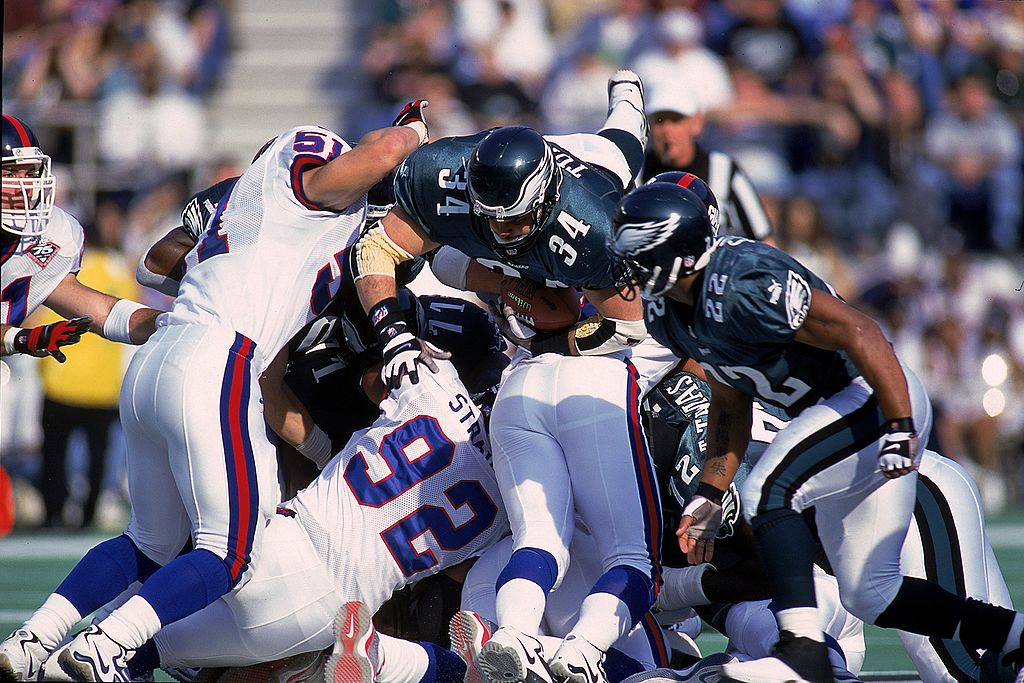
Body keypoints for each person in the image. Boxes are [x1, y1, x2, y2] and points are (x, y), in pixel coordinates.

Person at [0, 102, 432, 682]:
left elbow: (162, 276)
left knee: (149, 541)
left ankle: (36, 637)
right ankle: (108, 644)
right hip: (217, 359)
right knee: (231, 551)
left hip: (163, 352)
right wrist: (415, 126)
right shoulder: (300, 177)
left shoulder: (245, 220)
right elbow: (384, 152)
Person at [605, 180, 1024, 683]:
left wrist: (899, 425)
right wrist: (710, 493)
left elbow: (860, 331)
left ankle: (801, 650)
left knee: (769, 489)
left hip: (868, 395)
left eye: (636, 248)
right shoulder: (669, 311)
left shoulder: (743, 279)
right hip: (838, 426)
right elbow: (730, 400)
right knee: (872, 593)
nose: (625, 265)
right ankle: (1014, 631)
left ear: (674, 249)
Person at [350, 71, 674, 682]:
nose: (503, 231)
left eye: (514, 222)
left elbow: (629, 321)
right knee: (631, 556)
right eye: (492, 221)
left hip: (522, 384)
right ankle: (579, 653)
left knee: (623, 139)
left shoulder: (597, 222)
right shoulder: (445, 177)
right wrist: (503, 288)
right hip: (586, 386)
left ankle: (517, 636)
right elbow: (383, 247)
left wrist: (560, 316)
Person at [644, 360, 1018, 683]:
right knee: (1003, 657)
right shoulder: (712, 377)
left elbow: (761, 565)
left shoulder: (669, 425)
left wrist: (673, 589)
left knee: (966, 668)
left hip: (899, 499)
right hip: (846, 557)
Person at [1, 113, 161, 364]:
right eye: (10, 173)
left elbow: (102, 311)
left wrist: (167, 324)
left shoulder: (51, 232)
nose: (24, 186)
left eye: (29, 172)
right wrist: (20, 338)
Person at [638, 84, 774, 244]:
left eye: (676, 120)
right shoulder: (637, 172)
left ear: (697, 123)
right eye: (660, 121)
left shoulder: (723, 169)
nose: (667, 129)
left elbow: (764, 240)